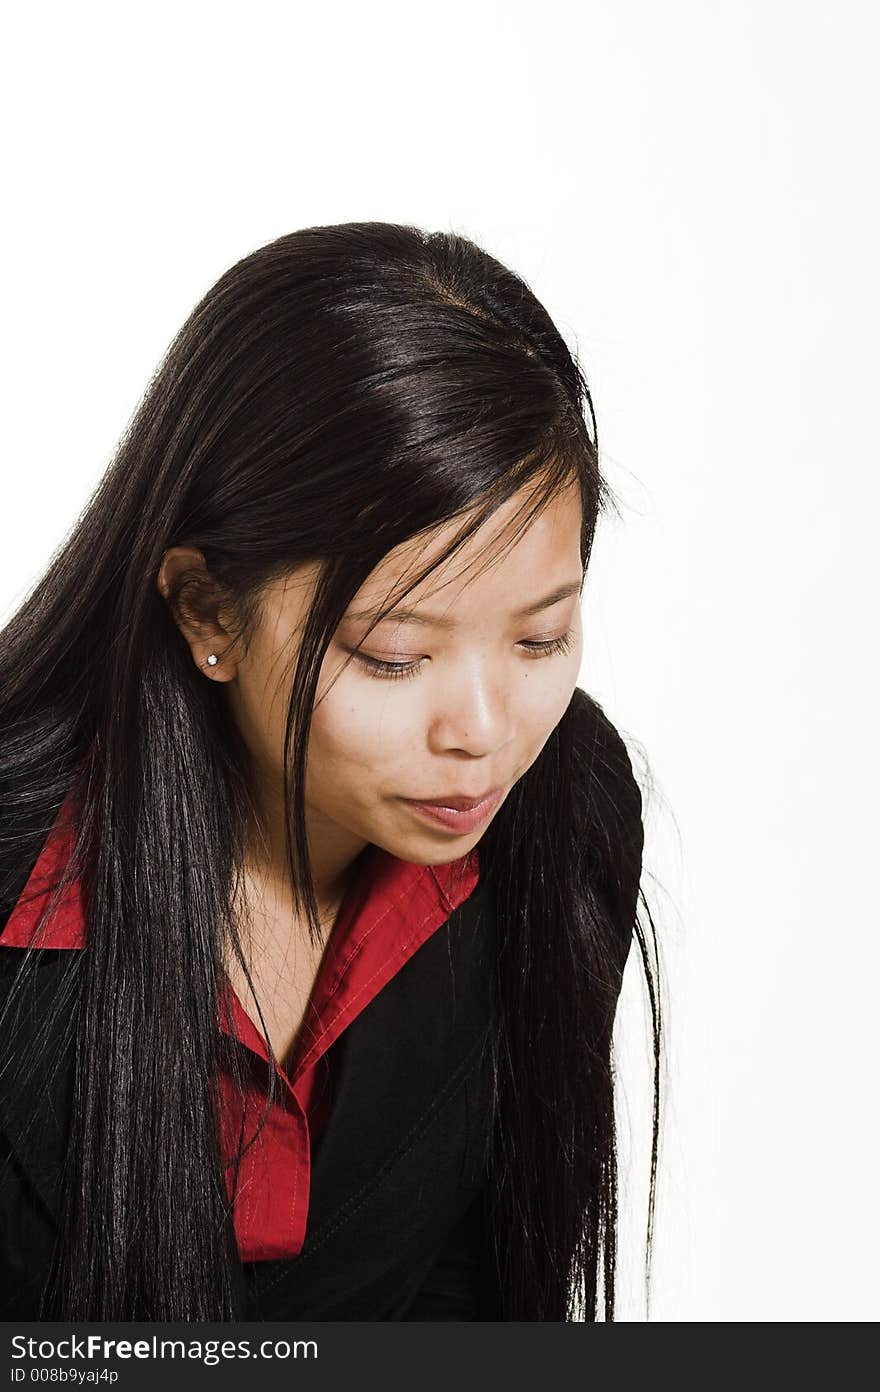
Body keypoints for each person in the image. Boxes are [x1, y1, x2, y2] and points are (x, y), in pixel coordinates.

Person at [0, 221, 659, 1321]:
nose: (484, 731)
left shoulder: (565, 811)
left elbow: (479, 1296)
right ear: (210, 609)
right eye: (392, 657)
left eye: (540, 639)